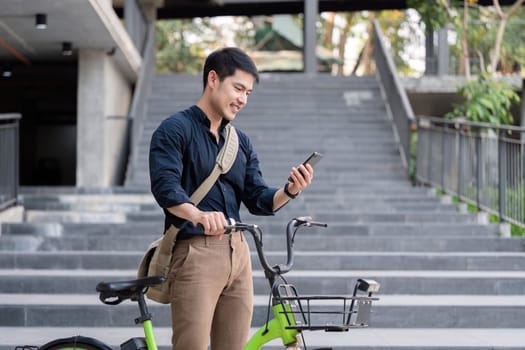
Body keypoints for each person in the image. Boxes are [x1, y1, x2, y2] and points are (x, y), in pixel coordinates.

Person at [149, 47, 314, 350]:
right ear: (213, 79)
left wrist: (290, 190)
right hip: (195, 252)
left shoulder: (240, 141)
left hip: (238, 255)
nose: (243, 99)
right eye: (238, 88)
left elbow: (258, 198)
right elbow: (165, 188)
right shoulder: (174, 130)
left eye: (248, 93)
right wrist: (198, 215)